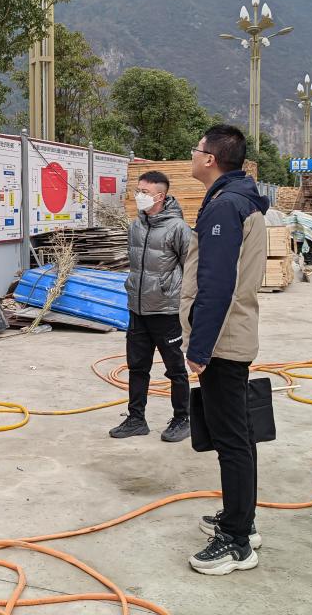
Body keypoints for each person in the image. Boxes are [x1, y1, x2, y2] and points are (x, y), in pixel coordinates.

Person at [180, 124, 269, 575]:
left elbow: (216, 286)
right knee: (238, 435)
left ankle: (236, 542)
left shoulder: (224, 207)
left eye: (195, 150)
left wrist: (199, 348)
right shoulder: (240, 200)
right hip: (232, 336)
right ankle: (241, 519)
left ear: (210, 159)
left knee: (232, 439)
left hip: (222, 341)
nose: (192, 156)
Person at [110, 170, 192, 443]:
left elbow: (191, 269)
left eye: (144, 192)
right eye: (138, 191)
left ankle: (182, 418)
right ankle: (136, 419)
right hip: (137, 309)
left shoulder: (178, 229)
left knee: (175, 369)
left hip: (166, 310)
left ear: (160, 196)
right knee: (137, 367)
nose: (138, 196)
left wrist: (186, 305)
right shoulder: (136, 226)